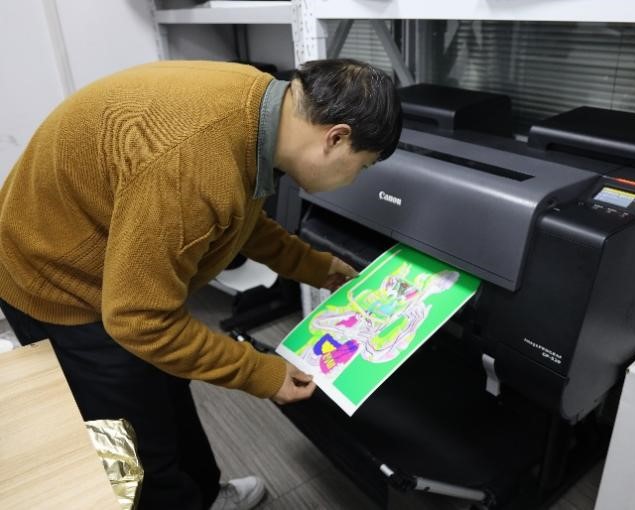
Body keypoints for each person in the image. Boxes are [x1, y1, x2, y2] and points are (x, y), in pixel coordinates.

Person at [0, 58, 402, 510]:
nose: (354, 179)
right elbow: (139, 321)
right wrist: (261, 372)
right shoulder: (193, 161)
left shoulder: (260, 107)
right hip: (55, 282)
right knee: (133, 447)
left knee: (168, 385)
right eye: (362, 166)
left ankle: (207, 496)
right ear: (337, 137)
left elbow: (236, 216)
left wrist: (314, 266)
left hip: (113, 265)